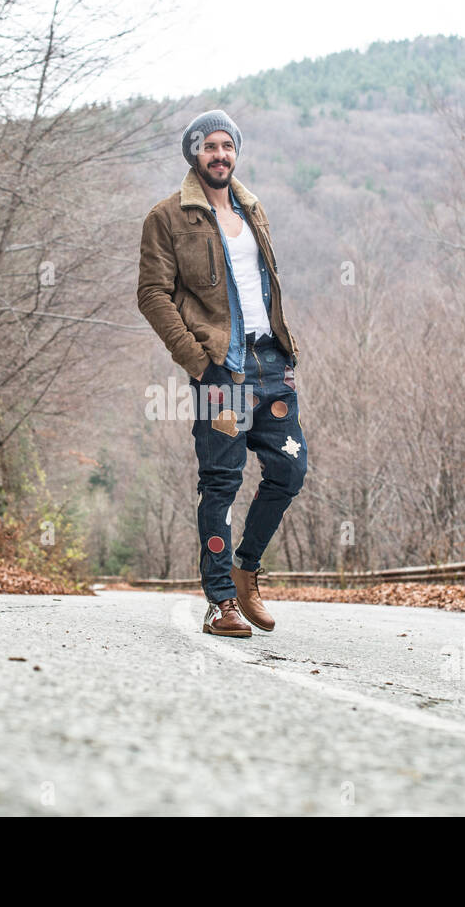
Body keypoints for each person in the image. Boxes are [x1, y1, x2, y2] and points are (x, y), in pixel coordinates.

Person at [136, 109, 308, 638]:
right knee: (221, 483)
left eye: (227, 146)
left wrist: (285, 349)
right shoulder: (166, 217)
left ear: (236, 152)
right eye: (209, 146)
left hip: (271, 364)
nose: (220, 155)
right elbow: (152, 295)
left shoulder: (253, 209)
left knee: (289, 471)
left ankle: (246, 568)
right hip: (221, 371)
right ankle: (220, 601)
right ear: (194, 153)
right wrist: (196, 360)